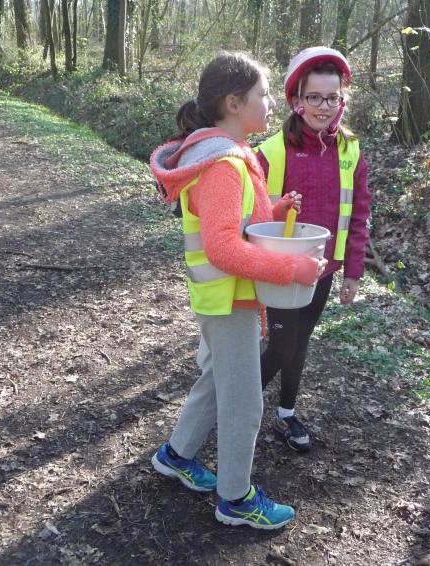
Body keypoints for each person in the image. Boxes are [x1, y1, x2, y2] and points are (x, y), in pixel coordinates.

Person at [148, 52, 327, 529]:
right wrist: (292, 268)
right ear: (233, 103)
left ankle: (176, 456)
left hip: (222, 298)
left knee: (213, 380)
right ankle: (236, 499)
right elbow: (224, 247)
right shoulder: (224, 164)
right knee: (246, 402)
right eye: (263, 94)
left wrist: (274, 209)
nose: (271, 103)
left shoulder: (227, 156)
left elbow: (239, 223)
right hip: (228, 299)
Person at [255, 46, 372, 452]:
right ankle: (235, 406)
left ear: (342, 98)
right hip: (280, 269)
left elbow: (359, 214)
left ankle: (285, 414)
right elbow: (247, 214)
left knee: (300, 341)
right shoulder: (271, 151)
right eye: (314, 97)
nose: (324, 106)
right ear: (296, 100)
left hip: (324, 268)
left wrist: (352, 271)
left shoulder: (350, 150)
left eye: (332, 97)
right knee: (283, 344)